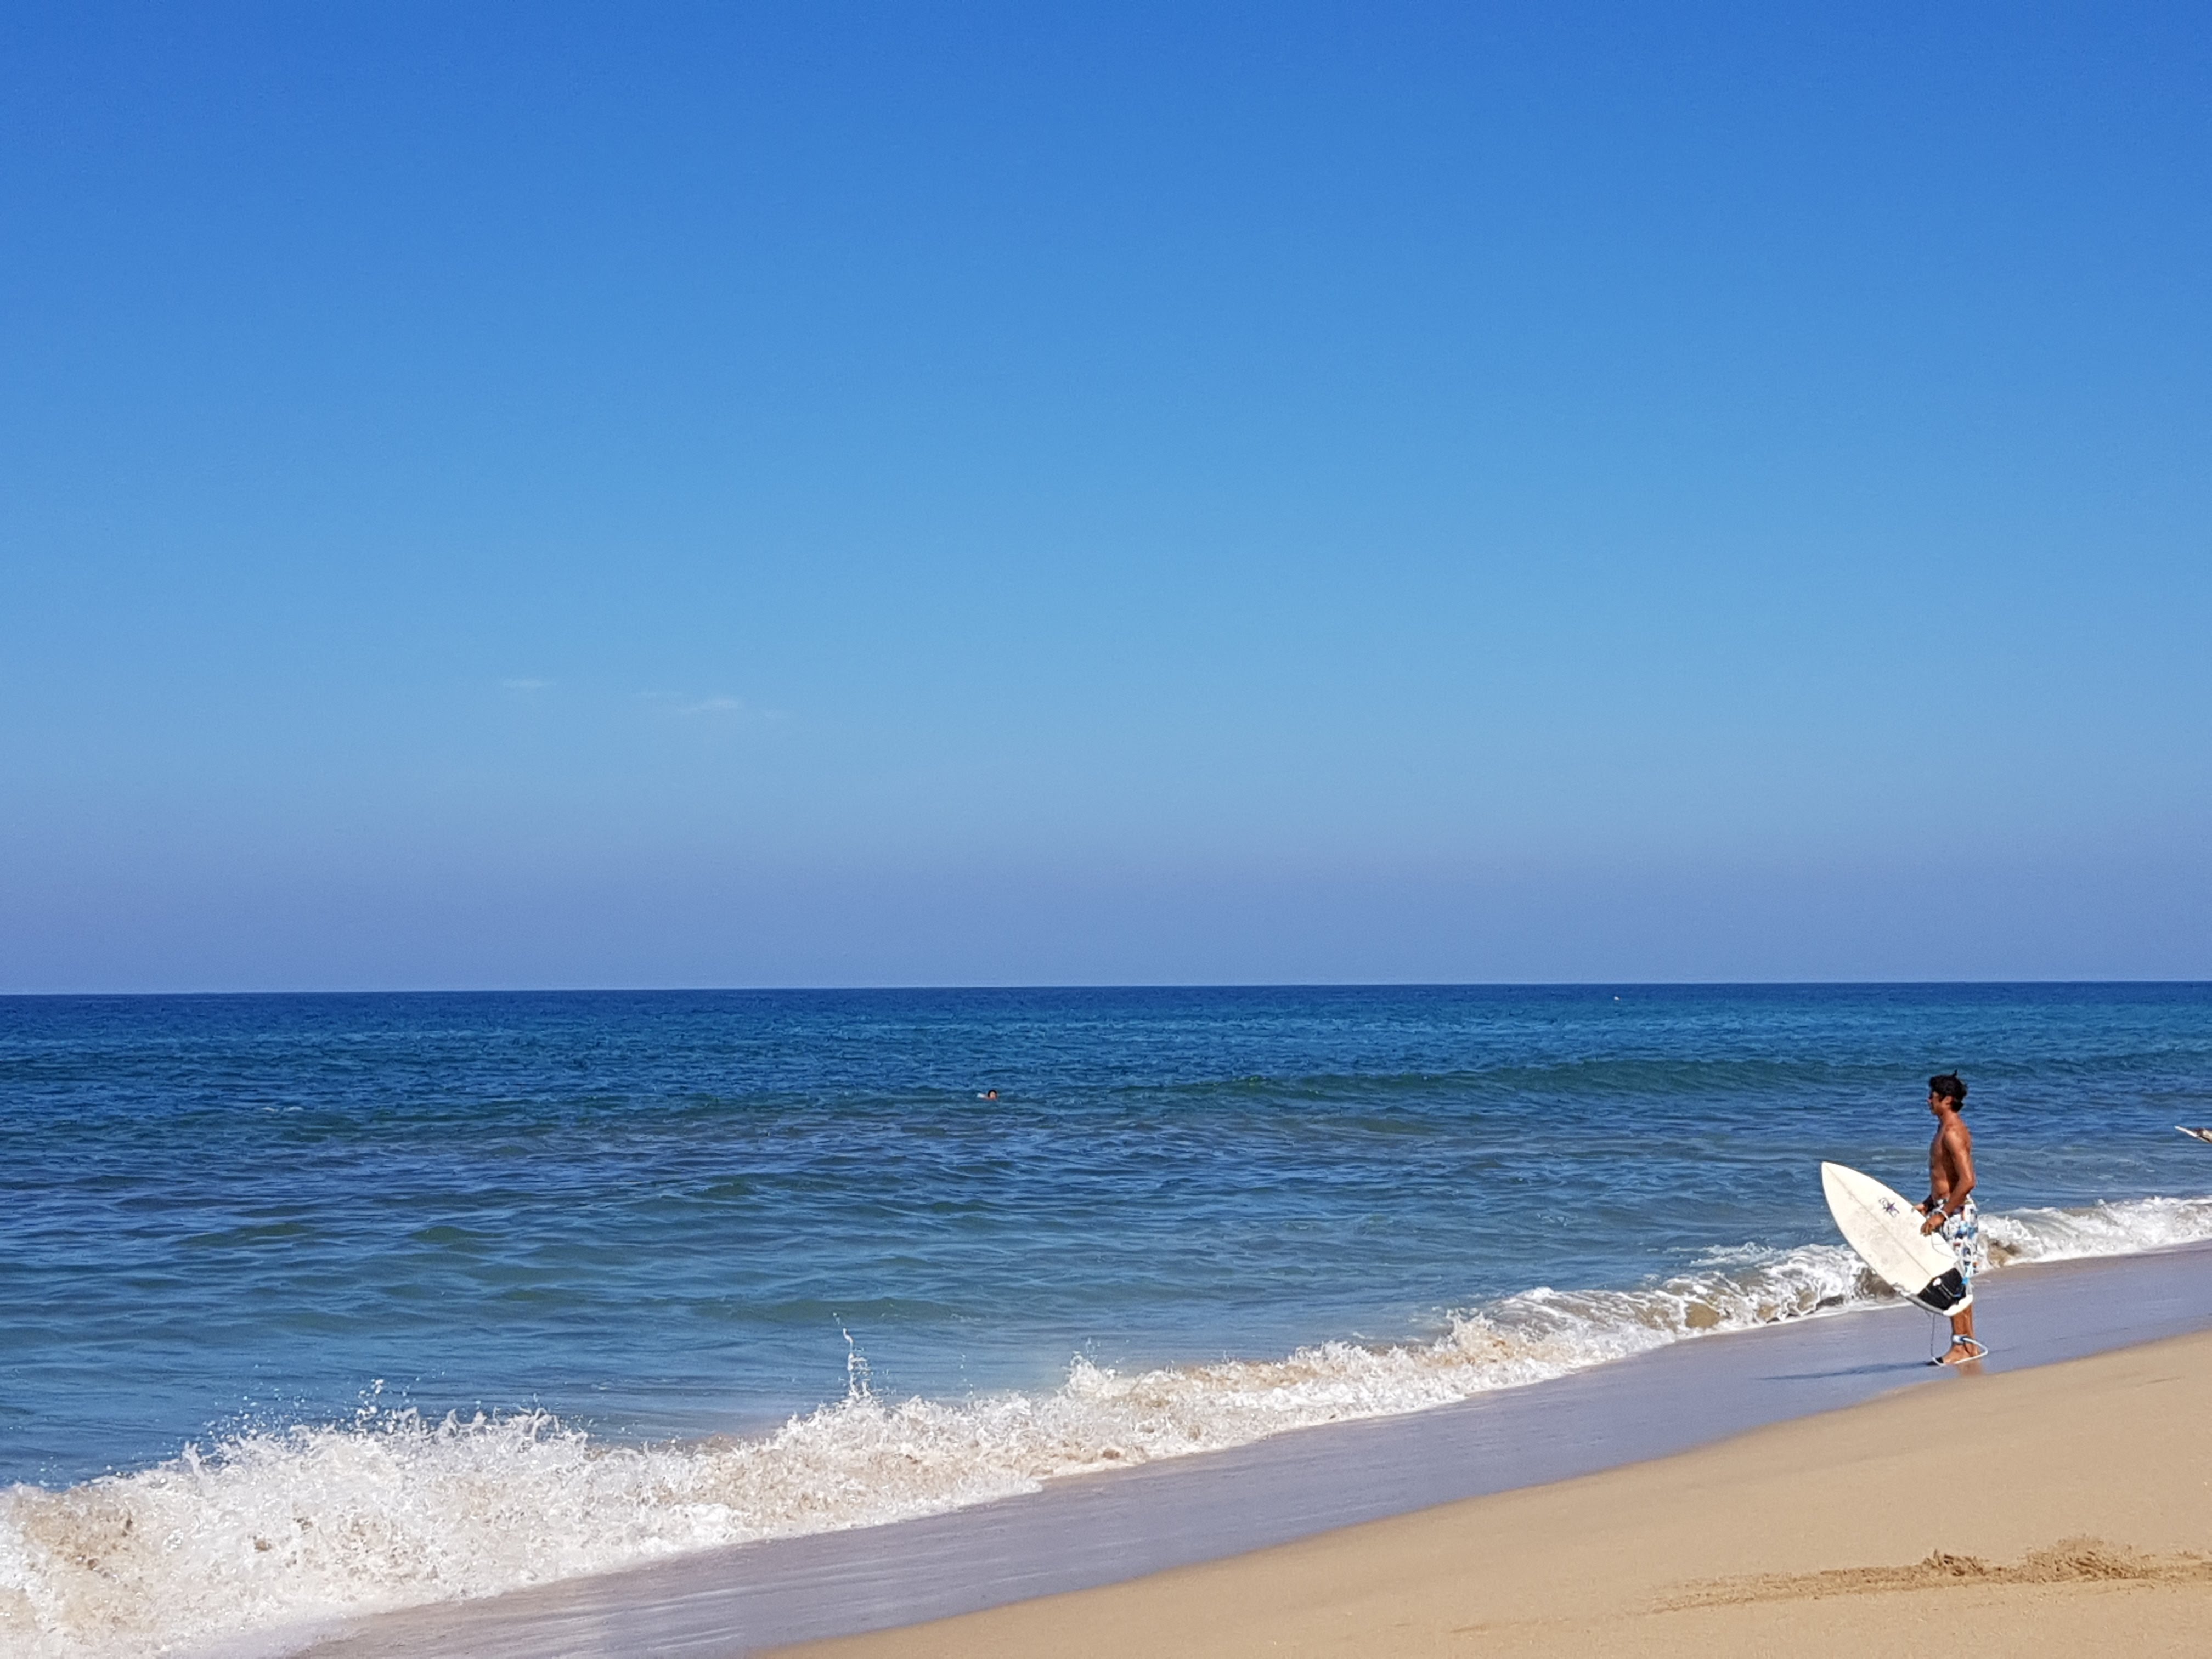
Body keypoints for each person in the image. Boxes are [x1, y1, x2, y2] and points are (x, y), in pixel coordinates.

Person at [1918, 1071, 1987, 1364]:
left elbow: (1968, 1180)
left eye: (1932, 1096)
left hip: (1956, 1214)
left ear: (1947, 1100)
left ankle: (1961, 1346)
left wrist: (1943, 1215)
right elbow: (1946, 1176)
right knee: (1959, 1280)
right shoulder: (1944, 1129)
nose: (1928, 1100)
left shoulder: (1953, 1132)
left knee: (1955, 1281)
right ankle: (1967, 1344)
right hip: (1947, 1209)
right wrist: (1928, 1204)